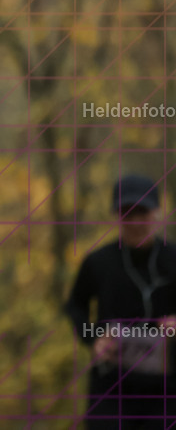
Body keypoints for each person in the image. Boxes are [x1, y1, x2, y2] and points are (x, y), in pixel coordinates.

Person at [64, 174, 176, 429]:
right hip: (111, 385)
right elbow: (74, 306)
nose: (135, 221)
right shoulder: (99, 262)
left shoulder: (173, 259)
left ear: (157, 213)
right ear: (117, 215)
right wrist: (94, 338)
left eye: (143, 212)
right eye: (127, 213)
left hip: (168, 387)